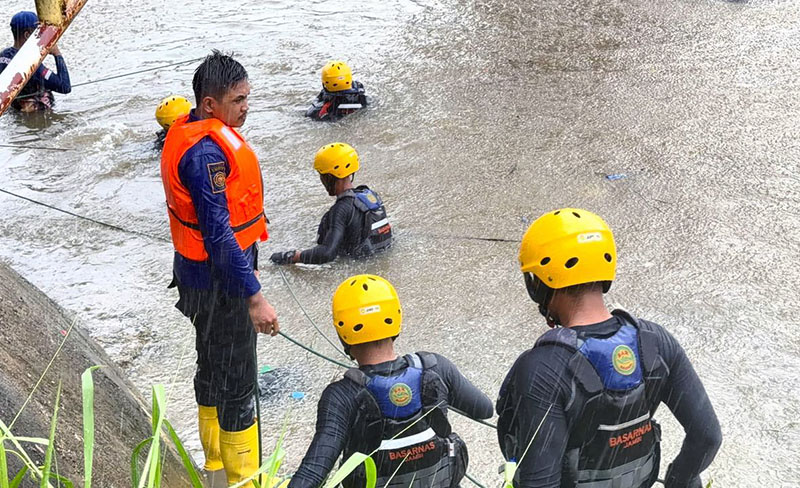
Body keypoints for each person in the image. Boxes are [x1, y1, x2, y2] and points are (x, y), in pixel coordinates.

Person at [496, 208, 722, 488]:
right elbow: (707, 436)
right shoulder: (656, 343)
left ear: (540, 282)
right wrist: (679, 479)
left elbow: (540, 482)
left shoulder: (542, 368)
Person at [159, 50, 279, 487]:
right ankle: (244, 479)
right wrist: (255, 297)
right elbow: (219, 235)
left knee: (211, 367)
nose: (246, 107)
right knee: (238, 383)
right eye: (238, 100)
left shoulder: (190, 133)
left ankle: (214, 470)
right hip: (219, 285)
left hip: (197, 277)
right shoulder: (206, 154)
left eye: (247, 97)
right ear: (209, 104)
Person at [288, 274, 493, 488]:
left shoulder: (341, 396)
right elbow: (484, 409)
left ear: (342, 332)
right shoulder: (436, 366)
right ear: (395, 318)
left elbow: (313, 473)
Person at [269, 142, 392, 265]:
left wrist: (293, 256)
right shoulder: (370, 196)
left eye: (322, 176)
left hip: (357, 266)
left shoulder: (341, 209)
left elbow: (327, 253)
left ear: (329, 177)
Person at [0, 11, 71, 112]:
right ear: (27, 35)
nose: (41, 35)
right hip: (38, 114)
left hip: (17, 111)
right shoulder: (31, 63)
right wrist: (57, 54)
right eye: (39, 32)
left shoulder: (3, 56)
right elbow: (65, 86)